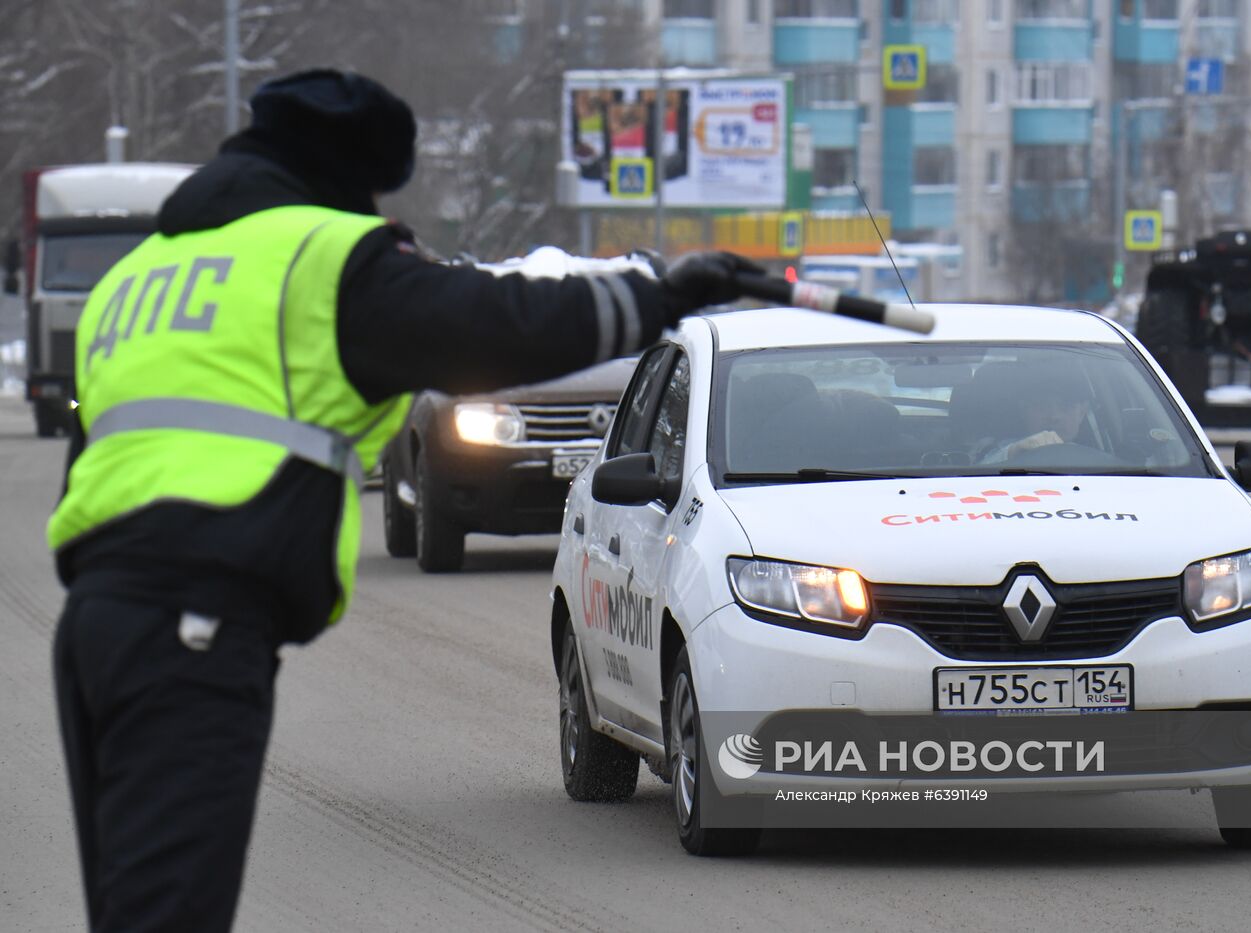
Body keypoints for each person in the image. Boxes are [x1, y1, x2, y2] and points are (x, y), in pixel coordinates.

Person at [48, 68, 758, 933]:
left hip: (96, 624)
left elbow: (93, 467)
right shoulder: (320, 259)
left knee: (130, 909)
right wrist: (657, 296)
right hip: (195, 625)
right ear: (346, 177)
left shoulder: (137, 281)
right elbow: (495, 322)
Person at [975, 369, 1092, 464]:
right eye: (1041, 405)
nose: (1054, 416)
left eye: (1066, 406)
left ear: (1082, 412)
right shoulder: (1000, 451)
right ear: (1023, 410)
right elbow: (975, 480)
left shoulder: (1099, 458)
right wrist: (1015, 452)